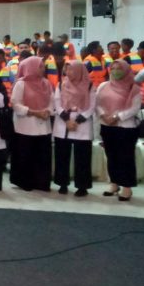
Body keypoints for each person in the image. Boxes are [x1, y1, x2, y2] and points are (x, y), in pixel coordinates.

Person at [96, 60, 141, 201]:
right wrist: (104, 115)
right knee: (111, 156)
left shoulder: (133, 88)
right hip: (107, 126)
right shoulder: (103, 86)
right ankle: (114, 183)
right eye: (113, 68)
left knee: (125, 157)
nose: (115, 71)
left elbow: (135, 108)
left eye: (119, 68)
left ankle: (127, 187)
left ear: (127, 70)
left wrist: (117, 116)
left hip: (125, 128)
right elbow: (96, 103)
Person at [10, 56, 54, 192]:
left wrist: (48, 111)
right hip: (26, 126)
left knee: (42, 156)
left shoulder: (46, 83)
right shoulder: (21, 84)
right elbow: (16, 104)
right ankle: (25, 182)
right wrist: (35, 112)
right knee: (25, 155)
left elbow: (52, 101)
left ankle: (41, 182)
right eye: (40, 66)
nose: (43, 69)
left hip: (43, 125)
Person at [53, 61, 96, 196]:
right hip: (63, 123)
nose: (68, 73)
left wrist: (77, 120)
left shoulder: (89, 85)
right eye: (67, 70)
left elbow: (92, 106)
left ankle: (82, 186)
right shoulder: (61, 84)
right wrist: (67, 120)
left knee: (82, 157)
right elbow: (57, 103)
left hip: (82, 124)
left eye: (71, 70)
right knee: (62, 156)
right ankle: (62, 183)